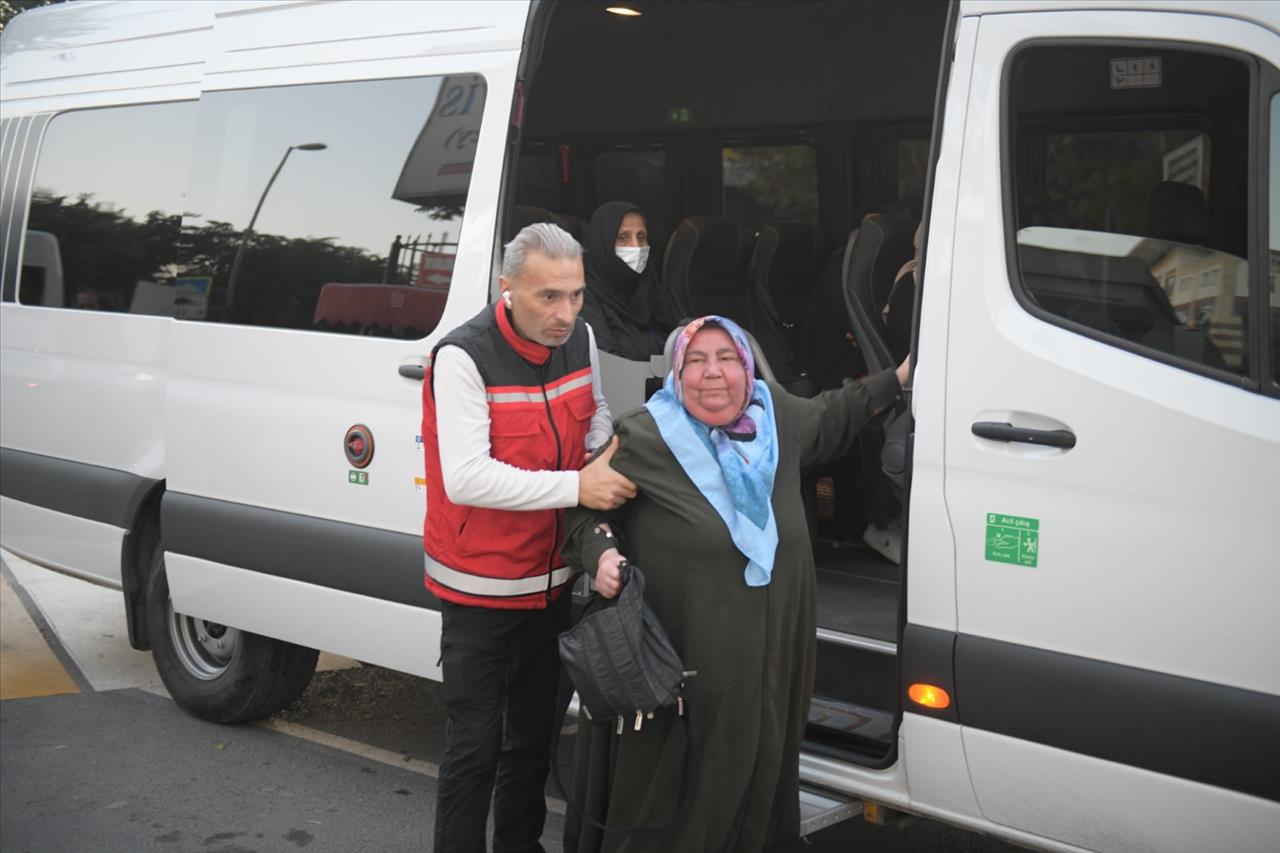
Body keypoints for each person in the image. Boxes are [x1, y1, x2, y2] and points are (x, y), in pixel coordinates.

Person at [560, 316, 909, 853]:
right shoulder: (644, 435)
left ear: (747, 368)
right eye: (695, 361)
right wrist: (602, 553)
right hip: (687, 658)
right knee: (687, 778)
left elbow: (837, 412)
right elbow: (583, 512)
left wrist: (901, 377)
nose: (712, 373)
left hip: (773, 653)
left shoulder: (776, 419)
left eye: (726, 358)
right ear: (677, 373)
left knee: (763, 760)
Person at [421, 222, 638, 853]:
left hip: (550, 587)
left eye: (575, 295)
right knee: (475, 750)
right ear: (507, 288)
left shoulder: (581, 338)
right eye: (548, 296)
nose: (565, 313)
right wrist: (580, 487)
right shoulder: (462, 356)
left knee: (532, 743)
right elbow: (466, 477)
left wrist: (600, 451)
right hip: (479, 591)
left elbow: (593, 408)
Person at [579, 201, 678, 361]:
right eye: (623, 238)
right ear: (603, 243)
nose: (636, 246)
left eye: (641, 237)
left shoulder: (653, 289)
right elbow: (611, 365)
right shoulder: (584, 297)